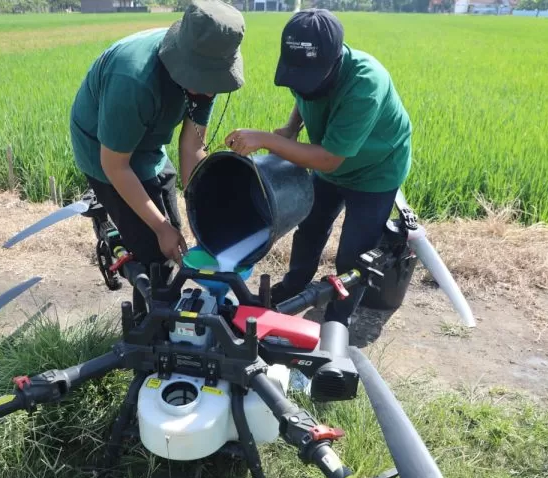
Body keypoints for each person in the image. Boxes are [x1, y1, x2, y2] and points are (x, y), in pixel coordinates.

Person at [224, 8, 412, 328]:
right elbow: (305, 92)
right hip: (326, 156)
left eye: (310, 76)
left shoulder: (365, 84)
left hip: (374, 171)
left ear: (334, 60)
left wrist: (267, 139)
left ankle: (338, 319)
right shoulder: (309, 72)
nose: (302, 83)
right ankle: (294, 288)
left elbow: (328, 159)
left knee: (354, 253)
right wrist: (290, 128)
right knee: (310, 228)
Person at [69, 0, 245, 288]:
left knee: (173, 229)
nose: (210, 89)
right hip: (104, 146)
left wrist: (204, 210)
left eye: (215, 79)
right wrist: (160, 228)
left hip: (149, 140)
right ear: (182, 60)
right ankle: (146, 320)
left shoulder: (208, 71)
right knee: (154, 249)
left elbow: (192, 147)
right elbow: (115, 165)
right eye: (203, 78)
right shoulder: (134, 78)